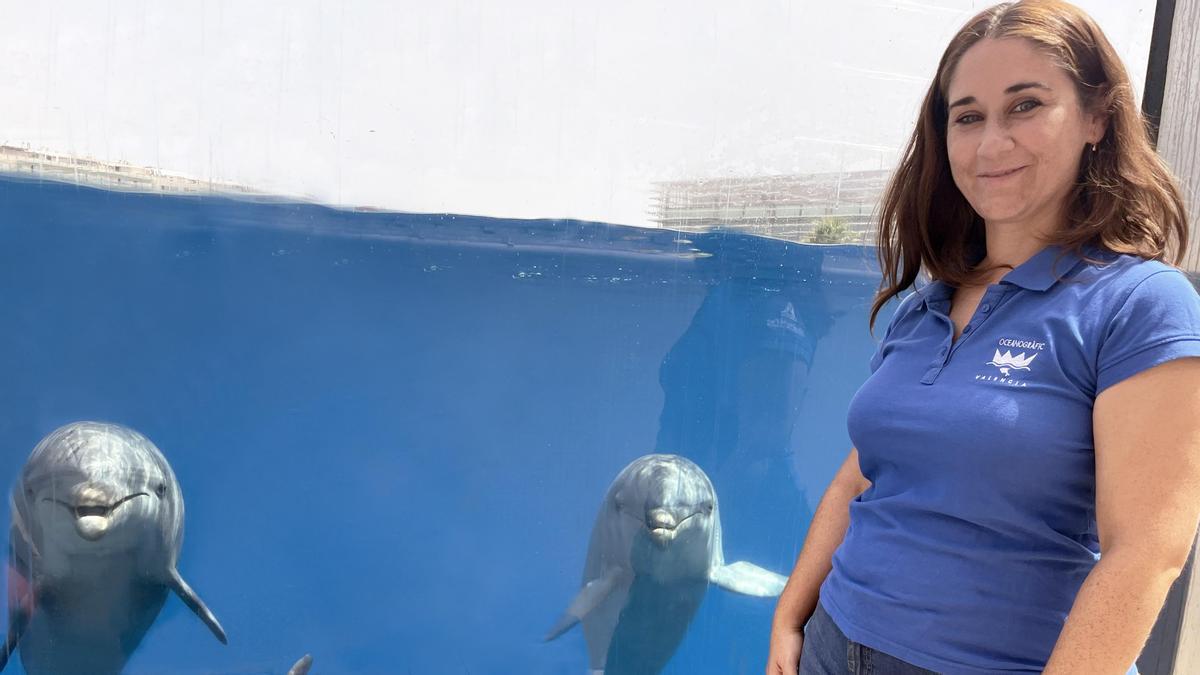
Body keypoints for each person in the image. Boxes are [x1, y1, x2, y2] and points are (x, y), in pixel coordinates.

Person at [766, 1, 1200, 674]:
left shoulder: (1141, 305)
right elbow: (858, 478)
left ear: (1097, 118)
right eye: (967, 116)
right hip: (831, 645)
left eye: (1025, 106)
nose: (991, 142)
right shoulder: (926, 304)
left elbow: (1145, 554)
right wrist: (790, 613)